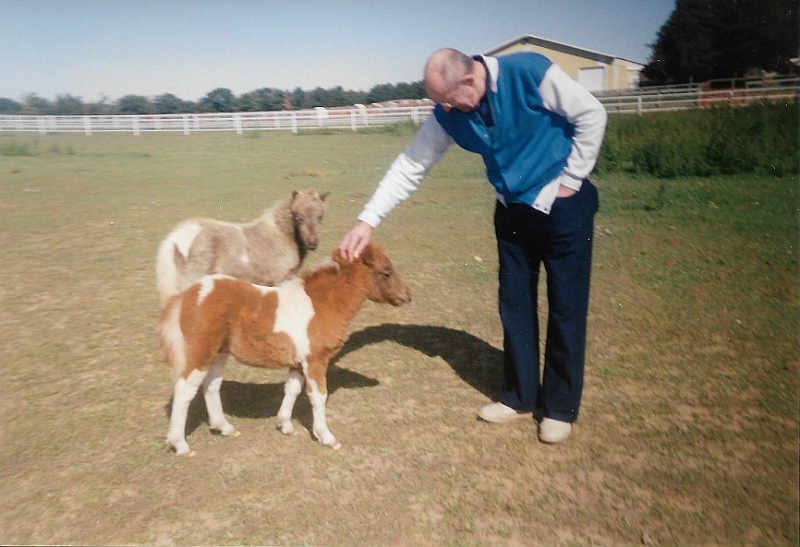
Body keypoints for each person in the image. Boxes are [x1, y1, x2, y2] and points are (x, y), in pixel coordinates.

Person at [338, 48, 607, 443]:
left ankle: (560, 407)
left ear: (469, 80)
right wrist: (367, 220)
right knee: (514, 304)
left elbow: (591, 114)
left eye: (446, 99)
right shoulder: (450, 112)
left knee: (566, 305)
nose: (444, 108)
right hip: (512, 211)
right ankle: (519, 397)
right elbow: (413, 164)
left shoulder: (529, 72)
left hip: (564, 208)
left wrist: (572, 179)